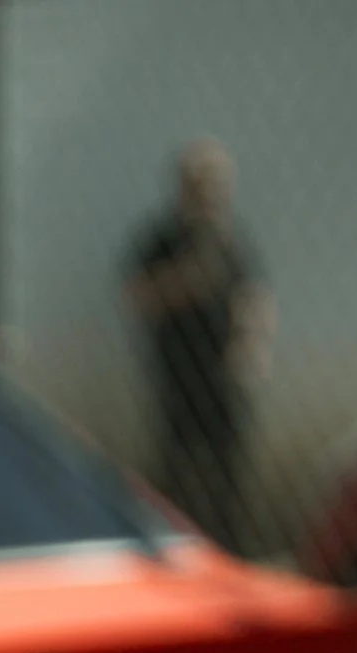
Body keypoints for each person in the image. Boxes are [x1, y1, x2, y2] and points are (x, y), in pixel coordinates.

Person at [122, 141, 274, 554]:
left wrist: (251, 346)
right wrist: (188, 281)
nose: (210, 194)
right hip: (179, 375)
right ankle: (171, 547)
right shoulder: (162, 240)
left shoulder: (229, 240)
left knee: (229, 472)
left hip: (224, 375)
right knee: (177, 467)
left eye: (217, 185)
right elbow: (138, 297)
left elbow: (253, 295)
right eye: (200, 185)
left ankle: (230, 549)